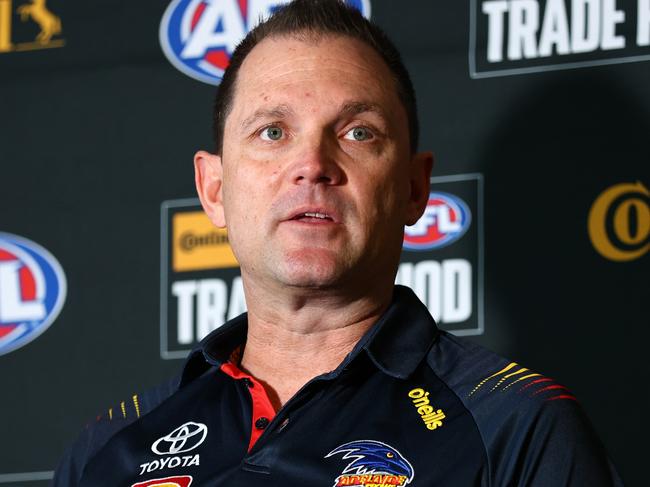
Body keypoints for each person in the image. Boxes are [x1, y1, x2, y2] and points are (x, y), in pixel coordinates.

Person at [53, 1, 623, 485]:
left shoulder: (517, 425)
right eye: (272, 132)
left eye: (357, 133)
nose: (312, 165)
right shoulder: (108, 449)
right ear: (214, 188)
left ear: (413, 187)